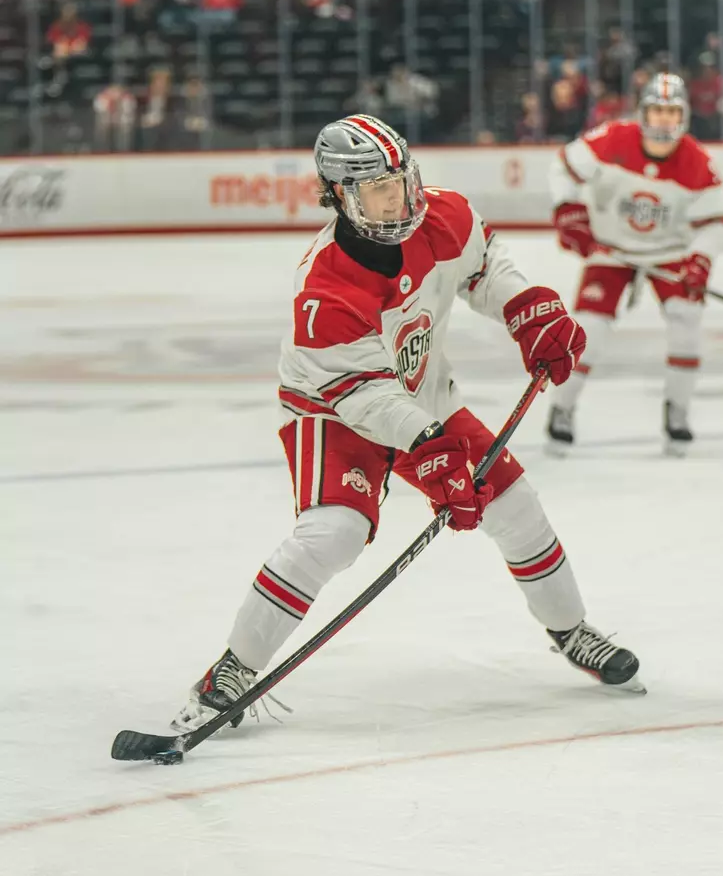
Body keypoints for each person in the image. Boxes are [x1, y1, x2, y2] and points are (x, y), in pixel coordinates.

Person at [170, 114, 644, 734]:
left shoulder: (444, 216)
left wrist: (527, 309)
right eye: (380, 189)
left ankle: (571, 629)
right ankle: (233, 667)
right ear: (341, 194)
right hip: (334, 410)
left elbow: (486, 266)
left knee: (516, 503)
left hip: (423, 399)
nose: (402, 199)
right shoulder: (325, 288)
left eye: (403, 180)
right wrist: (431, 449)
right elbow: (365, 395)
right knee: (334, 532)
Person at [546, 73, 723, 452]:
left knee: (686, 321)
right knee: (589, 332)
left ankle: (677, 409)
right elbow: (563, 167)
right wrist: (568, 209)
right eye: (657, 110)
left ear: (684, 115)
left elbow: (716, 225)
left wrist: (700, 261)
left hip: (670, 253)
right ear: (643, 112)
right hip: (612, 249)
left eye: (672, 111)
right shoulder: (611, 138)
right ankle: (562, 408)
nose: (664, 120)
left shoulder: (698, 162)